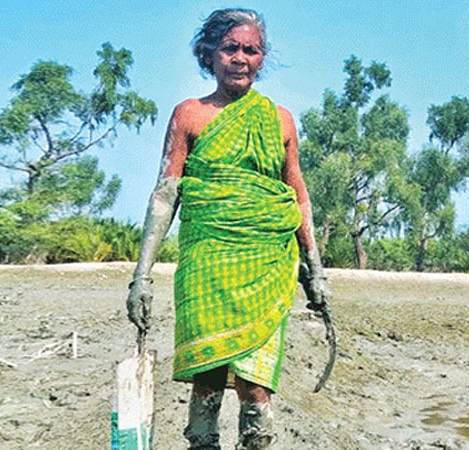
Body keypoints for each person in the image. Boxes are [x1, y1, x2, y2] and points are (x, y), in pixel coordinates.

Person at [126, 8, 331, 449]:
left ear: (262, 59)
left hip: (267, 266)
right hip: (206, 265)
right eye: (230, 48)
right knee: (208, 376)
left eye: (251, 50)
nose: (240, 58)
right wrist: (141, 277)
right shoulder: (189, 115)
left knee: (256, 386)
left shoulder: (280, 121)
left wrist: (315, 271)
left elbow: (297, 196)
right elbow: (165, 194)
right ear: (210, 55)